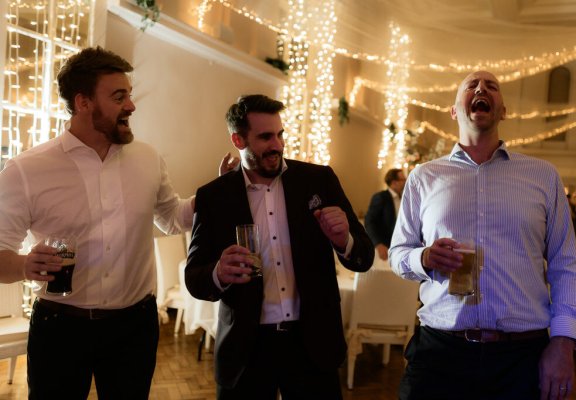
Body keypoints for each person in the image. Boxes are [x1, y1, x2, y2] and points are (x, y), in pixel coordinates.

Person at [0, 46, 194, 399]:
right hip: (59, 328)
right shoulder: (25, 170)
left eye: (129, 96)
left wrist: (220, 193)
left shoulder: (149, 158)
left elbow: (171, 219)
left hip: (135, 328)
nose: (131, 106)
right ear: (83, 102)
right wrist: (26, 264)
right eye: (119, 97)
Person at [389, 71, 576, 400]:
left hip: (521, 357)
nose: (481, 88)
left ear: (503, 111)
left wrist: (563, 342)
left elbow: (566, 265)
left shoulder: (542, 176)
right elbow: (398, 253)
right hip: (440, 352)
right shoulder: (424, 177)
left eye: (491, 86)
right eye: (471, 86)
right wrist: (422, 257)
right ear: (454, 111)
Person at [185, 94, 374, 399]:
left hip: (312, 344)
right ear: (238, 139)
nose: (277, 145)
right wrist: (219, 272)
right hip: (247, 348)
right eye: (264, 137)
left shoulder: (319, 180)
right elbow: (194, 277)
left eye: (279, 134)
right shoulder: (214, 196)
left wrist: (344, 241)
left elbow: (363, 257)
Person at [365, 168, 406, 261]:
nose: (405, 181)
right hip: (385, 247)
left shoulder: (405, 197)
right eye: (403, 179)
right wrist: (378, 244)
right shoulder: (381, 197)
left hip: (401, 246)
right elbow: (369, 222)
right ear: (394, 182)